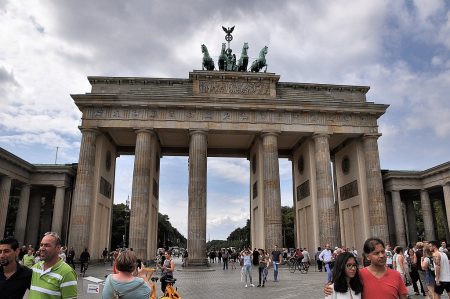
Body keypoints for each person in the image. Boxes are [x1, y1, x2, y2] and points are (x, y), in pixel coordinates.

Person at [325, 238, 408, 299]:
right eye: (376, 253)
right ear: (368, 256)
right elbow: (342, 282)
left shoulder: (396, 275)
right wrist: (329, 287)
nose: (382, 255)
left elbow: (403, 297)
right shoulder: (358, 275)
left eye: (383, 252)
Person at [29, 232, 77, 298]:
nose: (42, 248)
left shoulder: (67, 273)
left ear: (58, 248)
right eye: (41, 245)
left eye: (47, 245)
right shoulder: (35, 268)